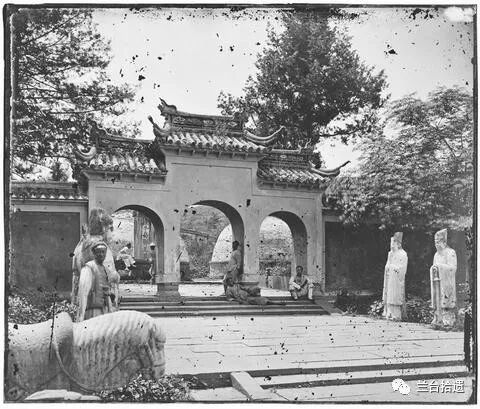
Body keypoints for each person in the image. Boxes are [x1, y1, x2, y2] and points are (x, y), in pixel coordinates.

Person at [77, 241, 114, 322]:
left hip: (103, 309)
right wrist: (81, 314)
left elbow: (106, 291)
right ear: (94, 253)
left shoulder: (105, 269)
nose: (101, 254)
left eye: (103, 252)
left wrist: (110, 309)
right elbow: (84, 292)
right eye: (98, 252)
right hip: (92, 310)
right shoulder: (89, 268)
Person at [430, 229, 457, 326]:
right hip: (437, 282)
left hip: (446, 282)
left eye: (438, 242)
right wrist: (434, 268)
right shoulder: (436, 255)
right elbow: (434, 267)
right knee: (437, 298)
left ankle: (447, 321)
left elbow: (453, 268)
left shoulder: (451, 252)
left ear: (444, 242)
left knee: (446, 300)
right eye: (435, 242)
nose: (436, 244)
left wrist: (440, 266)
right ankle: (437, 317)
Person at [382, 232, 408, 321]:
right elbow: (388, 264)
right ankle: (388, 312)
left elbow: (403, 269)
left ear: (399, 244)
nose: (392, 245)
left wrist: (393, 268)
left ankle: (396, 314)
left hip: (397, 279)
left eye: (394, 242)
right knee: (389, 293)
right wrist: (388, 267)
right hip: (390, 278)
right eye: (391, 243)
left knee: (395, 295)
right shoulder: (390, 254)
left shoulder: (403, 254)